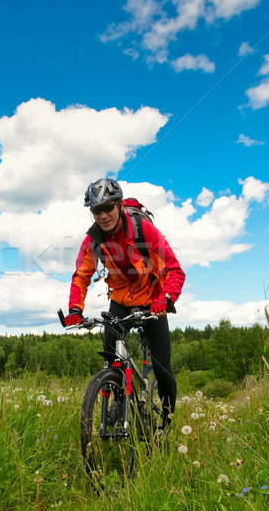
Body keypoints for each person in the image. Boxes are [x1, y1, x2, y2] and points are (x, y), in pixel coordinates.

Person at [65, 178, 185, 430]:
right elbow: (81, 276)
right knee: (111, 358)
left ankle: (167, 423)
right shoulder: (93, 240)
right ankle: (117, 399)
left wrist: (166, 300)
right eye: (97, 210)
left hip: (153, 302)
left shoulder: (143, 230)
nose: (103, 215)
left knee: (163, 370)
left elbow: (175, 270)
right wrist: (75, 309)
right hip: (120, 301)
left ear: (119, 205)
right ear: (91, 212)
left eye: (108, 207)